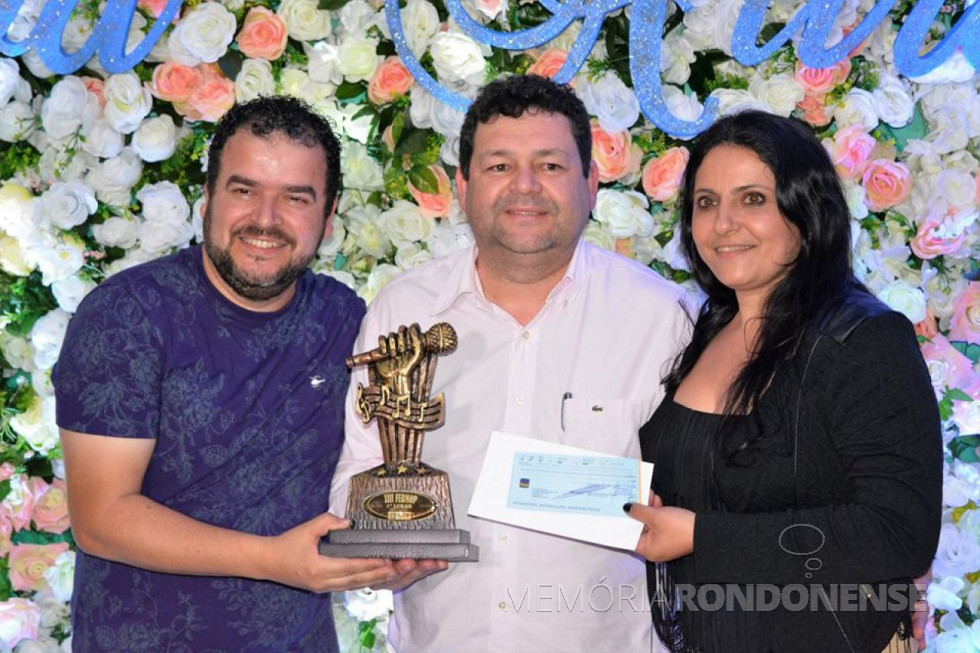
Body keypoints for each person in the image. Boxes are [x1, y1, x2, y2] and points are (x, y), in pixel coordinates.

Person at [332, 75, 690, 651]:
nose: (525, 187)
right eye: (499, 166)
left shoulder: (665, 317)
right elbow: (362, 466)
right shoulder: (406, 310)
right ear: (463, 185)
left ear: (592, 182)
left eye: (550, 166)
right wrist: (382, 545)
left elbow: (707, 491)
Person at [53, 96, 416, 652]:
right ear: (206, 200)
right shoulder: (128, 315)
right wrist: (273, 561)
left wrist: (399, 547)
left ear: (330, 213)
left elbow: (383, 454)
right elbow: (102, 517)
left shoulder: (343, 320)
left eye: (296, 197)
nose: (265, 219)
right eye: (244, 190)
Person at [626, 111, 942, 653]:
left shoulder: (865, 339)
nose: (723, 223)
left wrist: (702, 536)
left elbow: (898, 532)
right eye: (706, 202)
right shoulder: (714, 325)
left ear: (805, 211)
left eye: (752, 199)